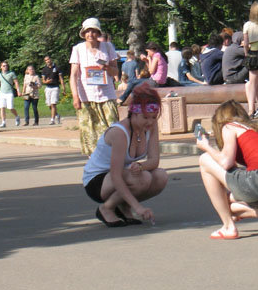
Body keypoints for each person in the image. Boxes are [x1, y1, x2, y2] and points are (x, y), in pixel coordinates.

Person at [196, 100, 258, 240]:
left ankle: (228, 227)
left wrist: (206, 147)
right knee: (225, 202)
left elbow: (226, 163)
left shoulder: (229, 126)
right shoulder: (256, 131)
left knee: (204, 159)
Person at [82, 83, 168, 227]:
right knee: (144, 177)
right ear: (134, 113)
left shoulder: (151, 126)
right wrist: (138, 207)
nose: (150, 122)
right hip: (97, 181)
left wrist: (140, 166)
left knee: (160, 176)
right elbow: (115, 175)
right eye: (145, 117)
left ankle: (122, 206)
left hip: (122, 175)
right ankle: (106, 208)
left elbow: (154, 161)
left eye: (153, 117)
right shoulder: (120, 133)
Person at [70, 17, 120, 155]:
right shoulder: (78, 49)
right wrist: (75, 97)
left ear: (98, 33)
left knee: (112, 129)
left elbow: (116, 71)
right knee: (90, 132)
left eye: (93, 31)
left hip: (106, 95)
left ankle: (113, 160)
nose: (90, 34)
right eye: (87, 31)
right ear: (83, 33)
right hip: (87, 96)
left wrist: (107, 68)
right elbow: (74, 75)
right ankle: (95, 163)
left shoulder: (108, 47)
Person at [0, 61, 21, 128]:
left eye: (6, 66)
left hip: (9, 92)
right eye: (3, 66)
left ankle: (17, 116)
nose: (5, 67)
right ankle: (3, 122)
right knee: (2, 107)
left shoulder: (11, 73)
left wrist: (18, 91)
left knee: (10, 107)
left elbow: (16, 82)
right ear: (1, 67)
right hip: (2, 93)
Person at [41, 55, 65, 125]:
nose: (47, 61)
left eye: (48, 59)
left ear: (50, 59)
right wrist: (46, 82)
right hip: (48, 87)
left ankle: (52, 120)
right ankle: (57, 115)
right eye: (46, 60)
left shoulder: (57, 68)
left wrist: (63, 88)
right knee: (49, 105)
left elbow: (61, 78)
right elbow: (43, 80)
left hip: (55, 87)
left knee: (53, 103)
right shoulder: (44, 69)